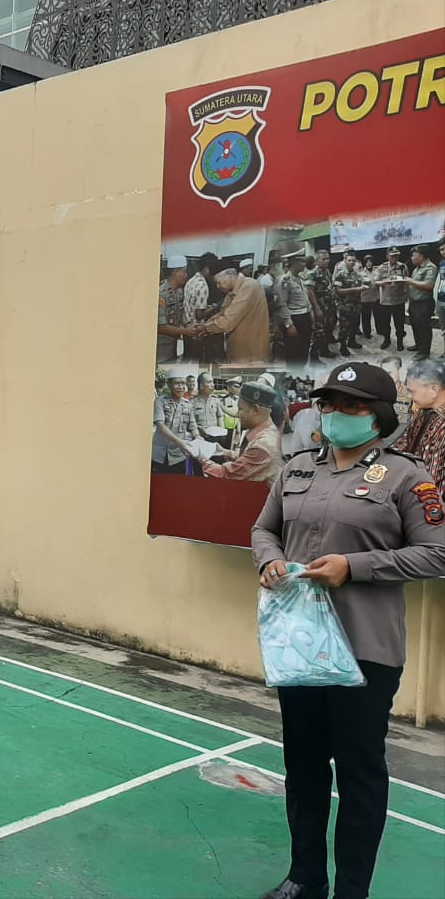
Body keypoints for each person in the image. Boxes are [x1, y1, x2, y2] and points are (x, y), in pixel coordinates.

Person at [252, 362, 445, 899]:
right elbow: (264, 529)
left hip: (365, 651)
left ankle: (351, 891)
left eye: (353, 405)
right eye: (330, 403)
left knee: (360, 773)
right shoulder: (295, 469)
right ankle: (305, 877)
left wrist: (354, 567)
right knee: (304, 767)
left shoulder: (408, 476)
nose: (337, 413)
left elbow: (437, 552)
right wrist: (267, 560)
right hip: (299, 646)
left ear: (380, 416)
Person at [201, 378, 282, 481]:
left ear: (255, 410)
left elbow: (227, 474)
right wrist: (226, 452)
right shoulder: (263, 430)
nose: (238, 414)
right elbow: (249, 460)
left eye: (240, 409)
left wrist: (200, 457)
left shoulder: (263, 445)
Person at [194, 267, 270, 363]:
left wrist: (206, 328)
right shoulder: (232, 291)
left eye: (219, 282)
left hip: (252, 354)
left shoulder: (249, 286)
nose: (218, 286)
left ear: (229, 276)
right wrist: (205, 327)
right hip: (238, 351)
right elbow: (222, 313)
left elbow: (228, 321)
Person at [398, 358, 445, 490]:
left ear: (434, 390)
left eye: (413, 391)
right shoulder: (422, 410)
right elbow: (406, 440)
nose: (410, 397)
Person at [152, 371, 199, 474]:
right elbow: (160, 424)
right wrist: (180, 442)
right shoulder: (160, 401)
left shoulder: (188, 404)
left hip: (178, 456)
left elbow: (192, 426)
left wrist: (198, 436)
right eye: (177, 383)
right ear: (169, 384)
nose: (181, 387)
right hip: (159, 454)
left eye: (183, 383)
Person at [275, 255, 314, 366]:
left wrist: (310, 314)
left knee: (304, 351)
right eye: (301, 261)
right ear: (294, 263)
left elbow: (306, 299)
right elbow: (281, 304)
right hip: (294, 319)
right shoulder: (285, 280)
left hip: (305, 317)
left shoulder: (301, 279)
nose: (304, 263)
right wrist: (289, 324)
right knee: (293, 353)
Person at [405, 246, 438, 359]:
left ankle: (424, 352)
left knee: (424, 328)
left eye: (414, 255)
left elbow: (429, 285)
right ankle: (418, 345)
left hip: (424, 303)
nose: (412, 258)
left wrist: (410, 280)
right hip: (414, 302)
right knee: (415, 325)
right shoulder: (417, 268)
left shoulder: (431, 267)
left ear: (421, 256)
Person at [373, 247, 409, 351]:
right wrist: (384, 282)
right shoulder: (381, 267)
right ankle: (387, 340)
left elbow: (407, 280)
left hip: (399, 300)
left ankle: (400, 342)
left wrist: (406, 294)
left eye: (397, 255)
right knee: (385, 323)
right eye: (393, 255)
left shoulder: (403, 266)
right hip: (385, 301)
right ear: (387, 256)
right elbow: (375, 282)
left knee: (399, 324)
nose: (395, 257)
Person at [331, 249, 365, 357]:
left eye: (353, 261)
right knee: (344, 328)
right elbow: (338, 291)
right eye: (349, 260)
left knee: (355, 325)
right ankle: (343, 346)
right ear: (345, 261)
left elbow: (361, 287)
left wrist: (362, 288)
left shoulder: (357, 274)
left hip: (356, 305)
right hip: (345, 306)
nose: (352, 262)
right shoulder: (340, 274)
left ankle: (352, 342)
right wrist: (354, 290)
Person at [157, 255, 188, 363]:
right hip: (161, 351)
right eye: (184, 272)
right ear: (175, 272)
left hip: (173, 349)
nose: (186, 275)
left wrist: (188, 325)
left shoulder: (179, 292)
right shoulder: (161, 294)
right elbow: (161, 327)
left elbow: (180, 314)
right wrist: (186, 332)